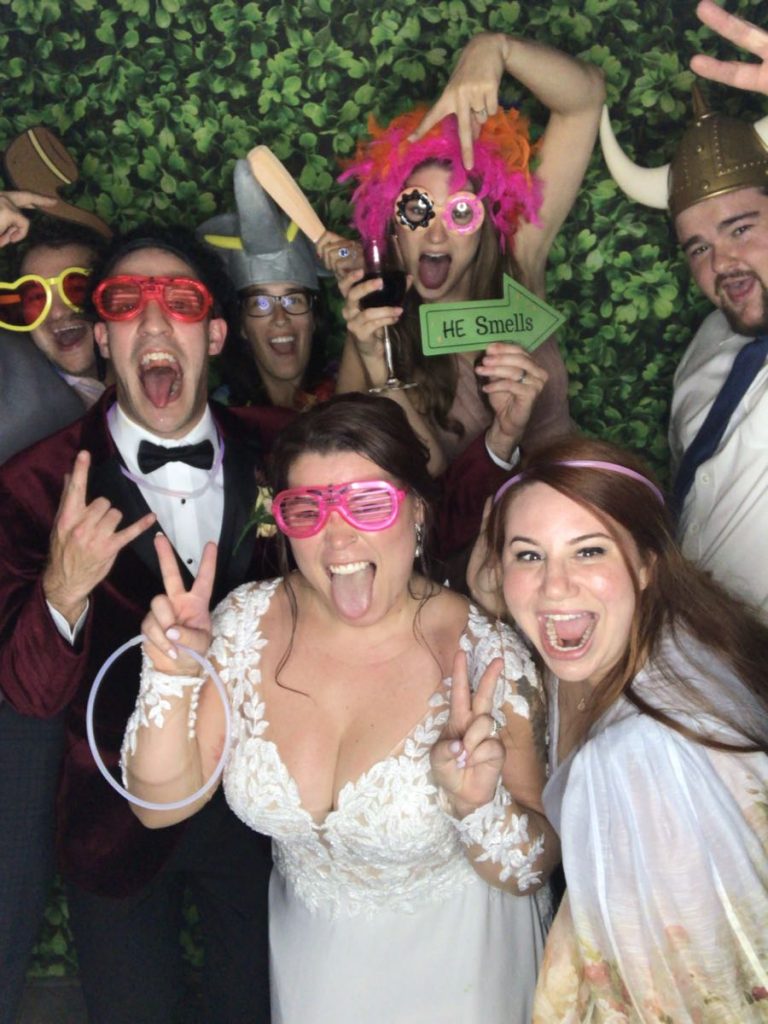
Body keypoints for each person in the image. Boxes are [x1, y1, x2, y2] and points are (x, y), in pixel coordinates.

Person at [122, 393, 558, 1024]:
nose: (337, 537)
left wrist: (478, 806)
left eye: (369, 503)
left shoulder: (486, 655)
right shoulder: (243, 625)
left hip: (460, 974)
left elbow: (530, 872)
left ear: (417, 510)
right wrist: (172, 675)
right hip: (314, 972)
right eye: (308, 510)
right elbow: (159, 806)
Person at [0, 225, 295, 1023]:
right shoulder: (32, 484)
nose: (155, 323)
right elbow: (26, 694)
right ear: (102, 336)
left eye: (182, 302)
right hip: (112, 820)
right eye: (127, 303)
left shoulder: (286, 454)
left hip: (260, 813)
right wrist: (63, 591)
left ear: (216, 334)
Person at [470, 435, 768, 1021]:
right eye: (528, 556)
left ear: (646, 563)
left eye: (588, 551)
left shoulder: (643, 761)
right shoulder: (644, 632)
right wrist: (490, 599)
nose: (555, 586)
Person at [332, 33, 604, 474]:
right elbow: (347, 461)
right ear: (393, 228)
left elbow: (585, 101)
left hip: (560, 503)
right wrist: (377, 361)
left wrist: (496, 49)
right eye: (417, 209)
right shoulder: (376, 321)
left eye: (461, 212)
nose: (437, 235)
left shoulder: (519, 261)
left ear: (486, 225)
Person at [600, 5, 768, 615]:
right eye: (698, 246)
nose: (722, 262)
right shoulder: (705, 347)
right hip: (697, 645)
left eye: (741, 228)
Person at [0, 190, 98, 1024]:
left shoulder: (166, 383)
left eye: (77, 289)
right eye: (28, 298)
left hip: (75, 692)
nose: (57, 311)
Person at [199, 159, 340, 410]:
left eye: (293, 300)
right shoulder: (221, 416)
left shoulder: (352, 388)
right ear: (242, 326)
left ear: (314, 318)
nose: (280, 318)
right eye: (261, 303)